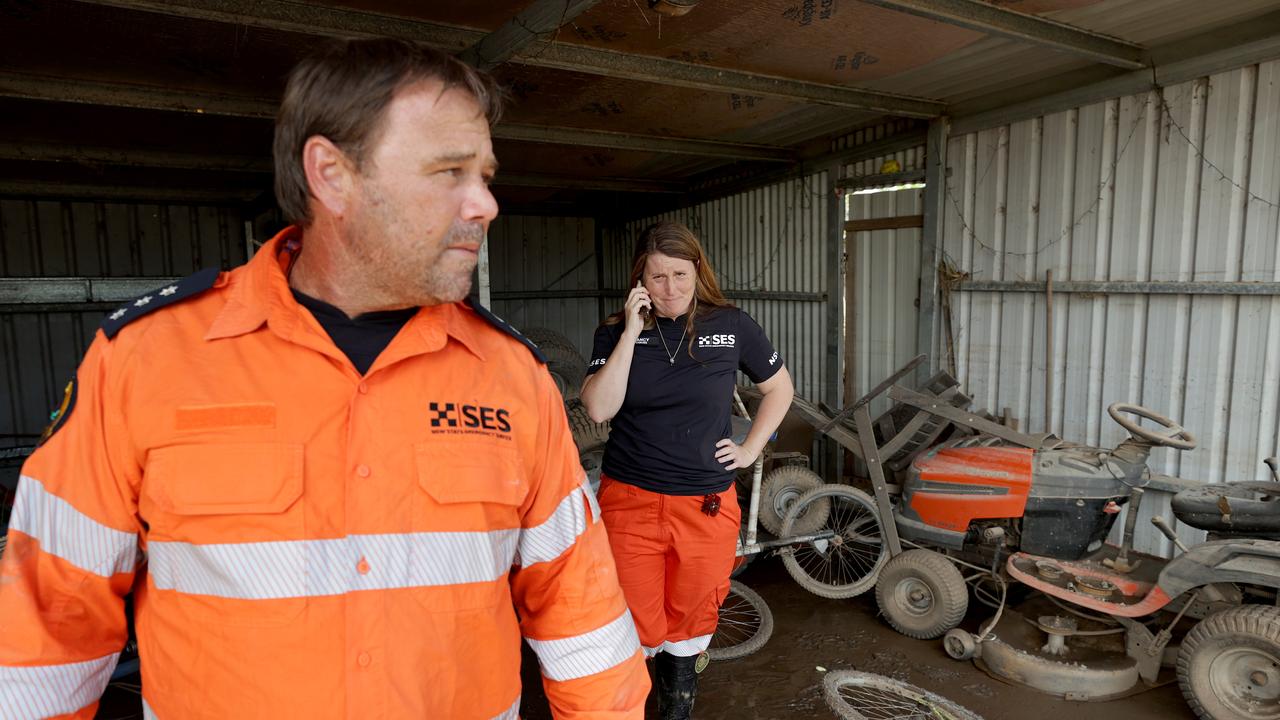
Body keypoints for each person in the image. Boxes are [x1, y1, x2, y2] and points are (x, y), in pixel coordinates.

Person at [0, 38, 649, 719]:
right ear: (331, 174)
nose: (485, 204)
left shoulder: (512, 376)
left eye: (485, 175)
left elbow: (582, 614)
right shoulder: (146, 358)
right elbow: (45, 631)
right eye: (450, 171)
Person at [579, 221, 795, 719]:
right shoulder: (614, 331)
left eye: (679, 274)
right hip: (630, 501)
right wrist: (632, 333)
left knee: (694, 616)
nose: (670, 289)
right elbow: (598, 410)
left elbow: (779, 388)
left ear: (697, 270)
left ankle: (676, 708)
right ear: (640, 281)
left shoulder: (732, 324)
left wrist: (749, 450)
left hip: (705, 502)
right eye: (657, 278)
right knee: (632, 619)